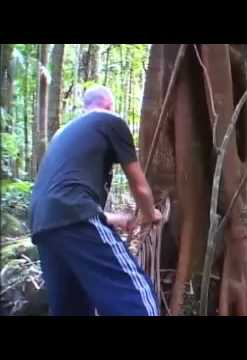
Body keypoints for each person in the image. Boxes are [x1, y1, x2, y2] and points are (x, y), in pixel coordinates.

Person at [29, 85, 162, 316]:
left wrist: (118, 218)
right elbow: (139, 186)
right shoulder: (110, 120)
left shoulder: (63, 133)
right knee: (137, 300)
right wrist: (151, 214)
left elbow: (63, 196)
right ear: (109, 105)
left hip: (41, 223)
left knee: (72, 308)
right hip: (74, 215)